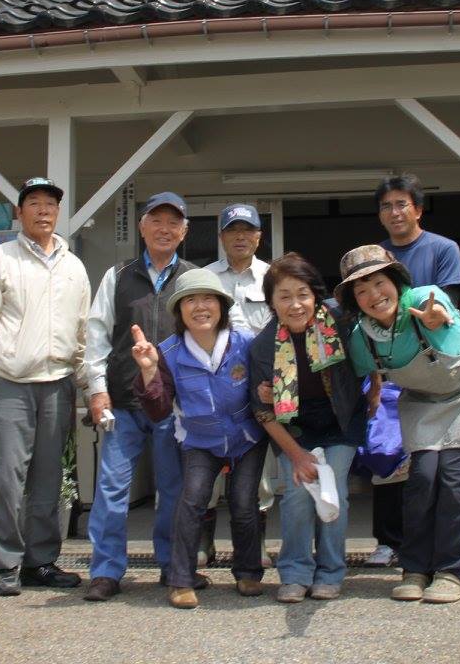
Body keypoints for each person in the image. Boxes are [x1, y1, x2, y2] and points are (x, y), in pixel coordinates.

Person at [337, 245, 460, 604]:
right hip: (422, 400)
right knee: (422, 479)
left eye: (379, 282)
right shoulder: (361, 334)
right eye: (361, 289)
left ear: (396, 282)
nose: (374, 294)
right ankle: (415, 569)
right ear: (354, 300)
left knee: (456, 481)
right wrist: (372, 398)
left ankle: (450, 571)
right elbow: (365, 372)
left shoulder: (423, 299)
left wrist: (436, 319)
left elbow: (446, 323)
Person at [0, 176, 97, 596]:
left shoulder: (74, 267)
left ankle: (41, 562)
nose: (43, 210)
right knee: (6, 479)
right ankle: (5, 563)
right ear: (18, 212)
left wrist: (90, 386)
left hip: (59, 385)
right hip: (10, 383)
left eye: (50, 204)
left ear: (58, 213)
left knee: (49, 480)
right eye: (34, 203)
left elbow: (83, 333)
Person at [366, 173, 460, 572]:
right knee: (389, 457)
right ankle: (389, 541)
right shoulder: (376, 257)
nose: (394, 212)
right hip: (395, 369)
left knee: (452, 464)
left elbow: (445, 307)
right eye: (386, 206)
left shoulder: (443, 249)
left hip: (445, 370)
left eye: (401, 204)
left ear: (418, 209)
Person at [81, 192, 196, 602]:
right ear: (142, 227)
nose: (165, 229)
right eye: (156, 221)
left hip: (173, 406)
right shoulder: (117, 275)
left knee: (173, 491)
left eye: (173, 223)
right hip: (124, 403)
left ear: (184, 231)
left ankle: (171, 565)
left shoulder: (193, 278)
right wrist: (97, 390)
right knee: (112, 490)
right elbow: (96, 336)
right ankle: (106, 571)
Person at [131, 268, 268, 609]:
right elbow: (159, 410)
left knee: (244, 503)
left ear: (222, 306)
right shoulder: (168, 352)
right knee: (191, 502)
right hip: (199, 440)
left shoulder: (245, 343)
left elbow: (263, 388)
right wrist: (148, 371)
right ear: (179, 311)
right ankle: (181, 579)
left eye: (208, 299)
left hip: (247, 438)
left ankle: (248, 572)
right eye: (190, 300)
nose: (200, 307)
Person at [248, 252, 366, 604]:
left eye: (303, 294)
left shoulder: (341, 323)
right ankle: (295, 572)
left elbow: (369, 357)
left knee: (332, 489)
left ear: (316, 295)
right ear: (271, 302)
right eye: (284, 296)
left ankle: (330, 572)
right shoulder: (263, 346)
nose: (295, 304)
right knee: (298, 493)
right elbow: (263, 413)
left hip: (341, 420)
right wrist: (297, 456)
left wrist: (375, 390)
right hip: (294, 427)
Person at [202, 203, 274, 567]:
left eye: (248, 230)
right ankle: (204, 544)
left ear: (259, 236)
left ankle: (254, 545)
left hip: (259, 389)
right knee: (208, 469)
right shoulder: (205, 278)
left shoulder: (273, 277)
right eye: (233, 230)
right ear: (221, 237)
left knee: (260, 477)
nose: (240, 237)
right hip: (212, 389)